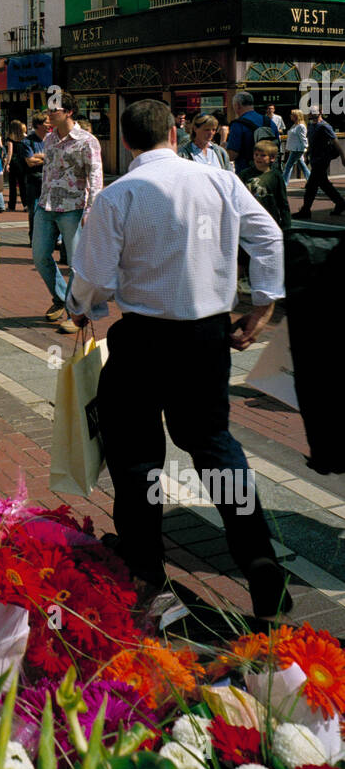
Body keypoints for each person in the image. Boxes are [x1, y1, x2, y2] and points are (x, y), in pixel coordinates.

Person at [67, 98, 291, 622]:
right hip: (206, 338)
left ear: (125, 141)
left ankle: (148, 569)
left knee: (137, 455)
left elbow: (95, 278)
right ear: (174, 132)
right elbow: (270, 238)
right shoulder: (220, 182)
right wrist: (261, 307)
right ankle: (257, 555)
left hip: (144, 338)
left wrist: (82, 308)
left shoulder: (117, 195)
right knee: (214, 445)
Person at [32, 91, 103, 332]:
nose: (49, 114)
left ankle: (75, 312)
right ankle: (61, 298)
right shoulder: (50, 139)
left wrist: (91, 209)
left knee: (75, 264)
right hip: (46, 204)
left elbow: (95, 176)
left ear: (69, 112)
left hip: (73, 207)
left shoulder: (87, 141)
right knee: (40, 256)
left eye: (54, 110)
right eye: (49, 110)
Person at [295, 108, 345, 219]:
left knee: (311, 186)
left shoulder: (325, 126)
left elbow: (335, 141)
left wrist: (342, 156)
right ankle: (341, 203)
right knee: (324, 184)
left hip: (322, 160)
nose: (313, 114)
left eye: (315, 112)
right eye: (311, 112)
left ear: (321, 112)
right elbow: (311, 142)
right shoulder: (311, 126)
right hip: (315, 159)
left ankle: (305, 210)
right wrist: (307, 155)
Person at [240, 140, 292, 230]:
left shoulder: (276, 176)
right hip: (249, 220)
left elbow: (283, 202)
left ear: (272, 158)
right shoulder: (244, 174)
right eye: (256, 154)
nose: (258, 158)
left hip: (270, 220)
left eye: (263, 155)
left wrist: (286, 224)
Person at [226, 91, 273, 174]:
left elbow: (232, 155)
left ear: (237, 105)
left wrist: (223, 147)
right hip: (269, 173)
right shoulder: (268, 122)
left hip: (246, 173)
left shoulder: (237, 125)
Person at [22, 111, 49, 243]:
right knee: (34, 210)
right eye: (46, 122)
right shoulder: (28, 141)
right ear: (38, 125)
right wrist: (48, 158)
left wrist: (38, 156)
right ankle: (34, 238)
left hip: (50, 180)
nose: (49, 124)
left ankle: (54, 239)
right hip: (34, 180)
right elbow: (30, 161)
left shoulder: (52, 139)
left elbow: (57, 157)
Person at [5, 121, 28, 211]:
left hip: (14, 162)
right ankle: (26, 204)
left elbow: (10, 152)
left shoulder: (10, 139)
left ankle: (12, 205)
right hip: (23, 162)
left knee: (12, 185)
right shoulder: (25, 138)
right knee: (23, 184)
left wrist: (7, 163)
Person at [283, 109, 310, 183]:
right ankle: (311, 180)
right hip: (294, 148)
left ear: (296, 116)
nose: (290, 116)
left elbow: (303, 138)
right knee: (302, 166)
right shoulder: (295, 125)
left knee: (288, 166)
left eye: (292, 115)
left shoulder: (301, 126)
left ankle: (284, 183)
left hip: (297, 149)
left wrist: (305, 148)